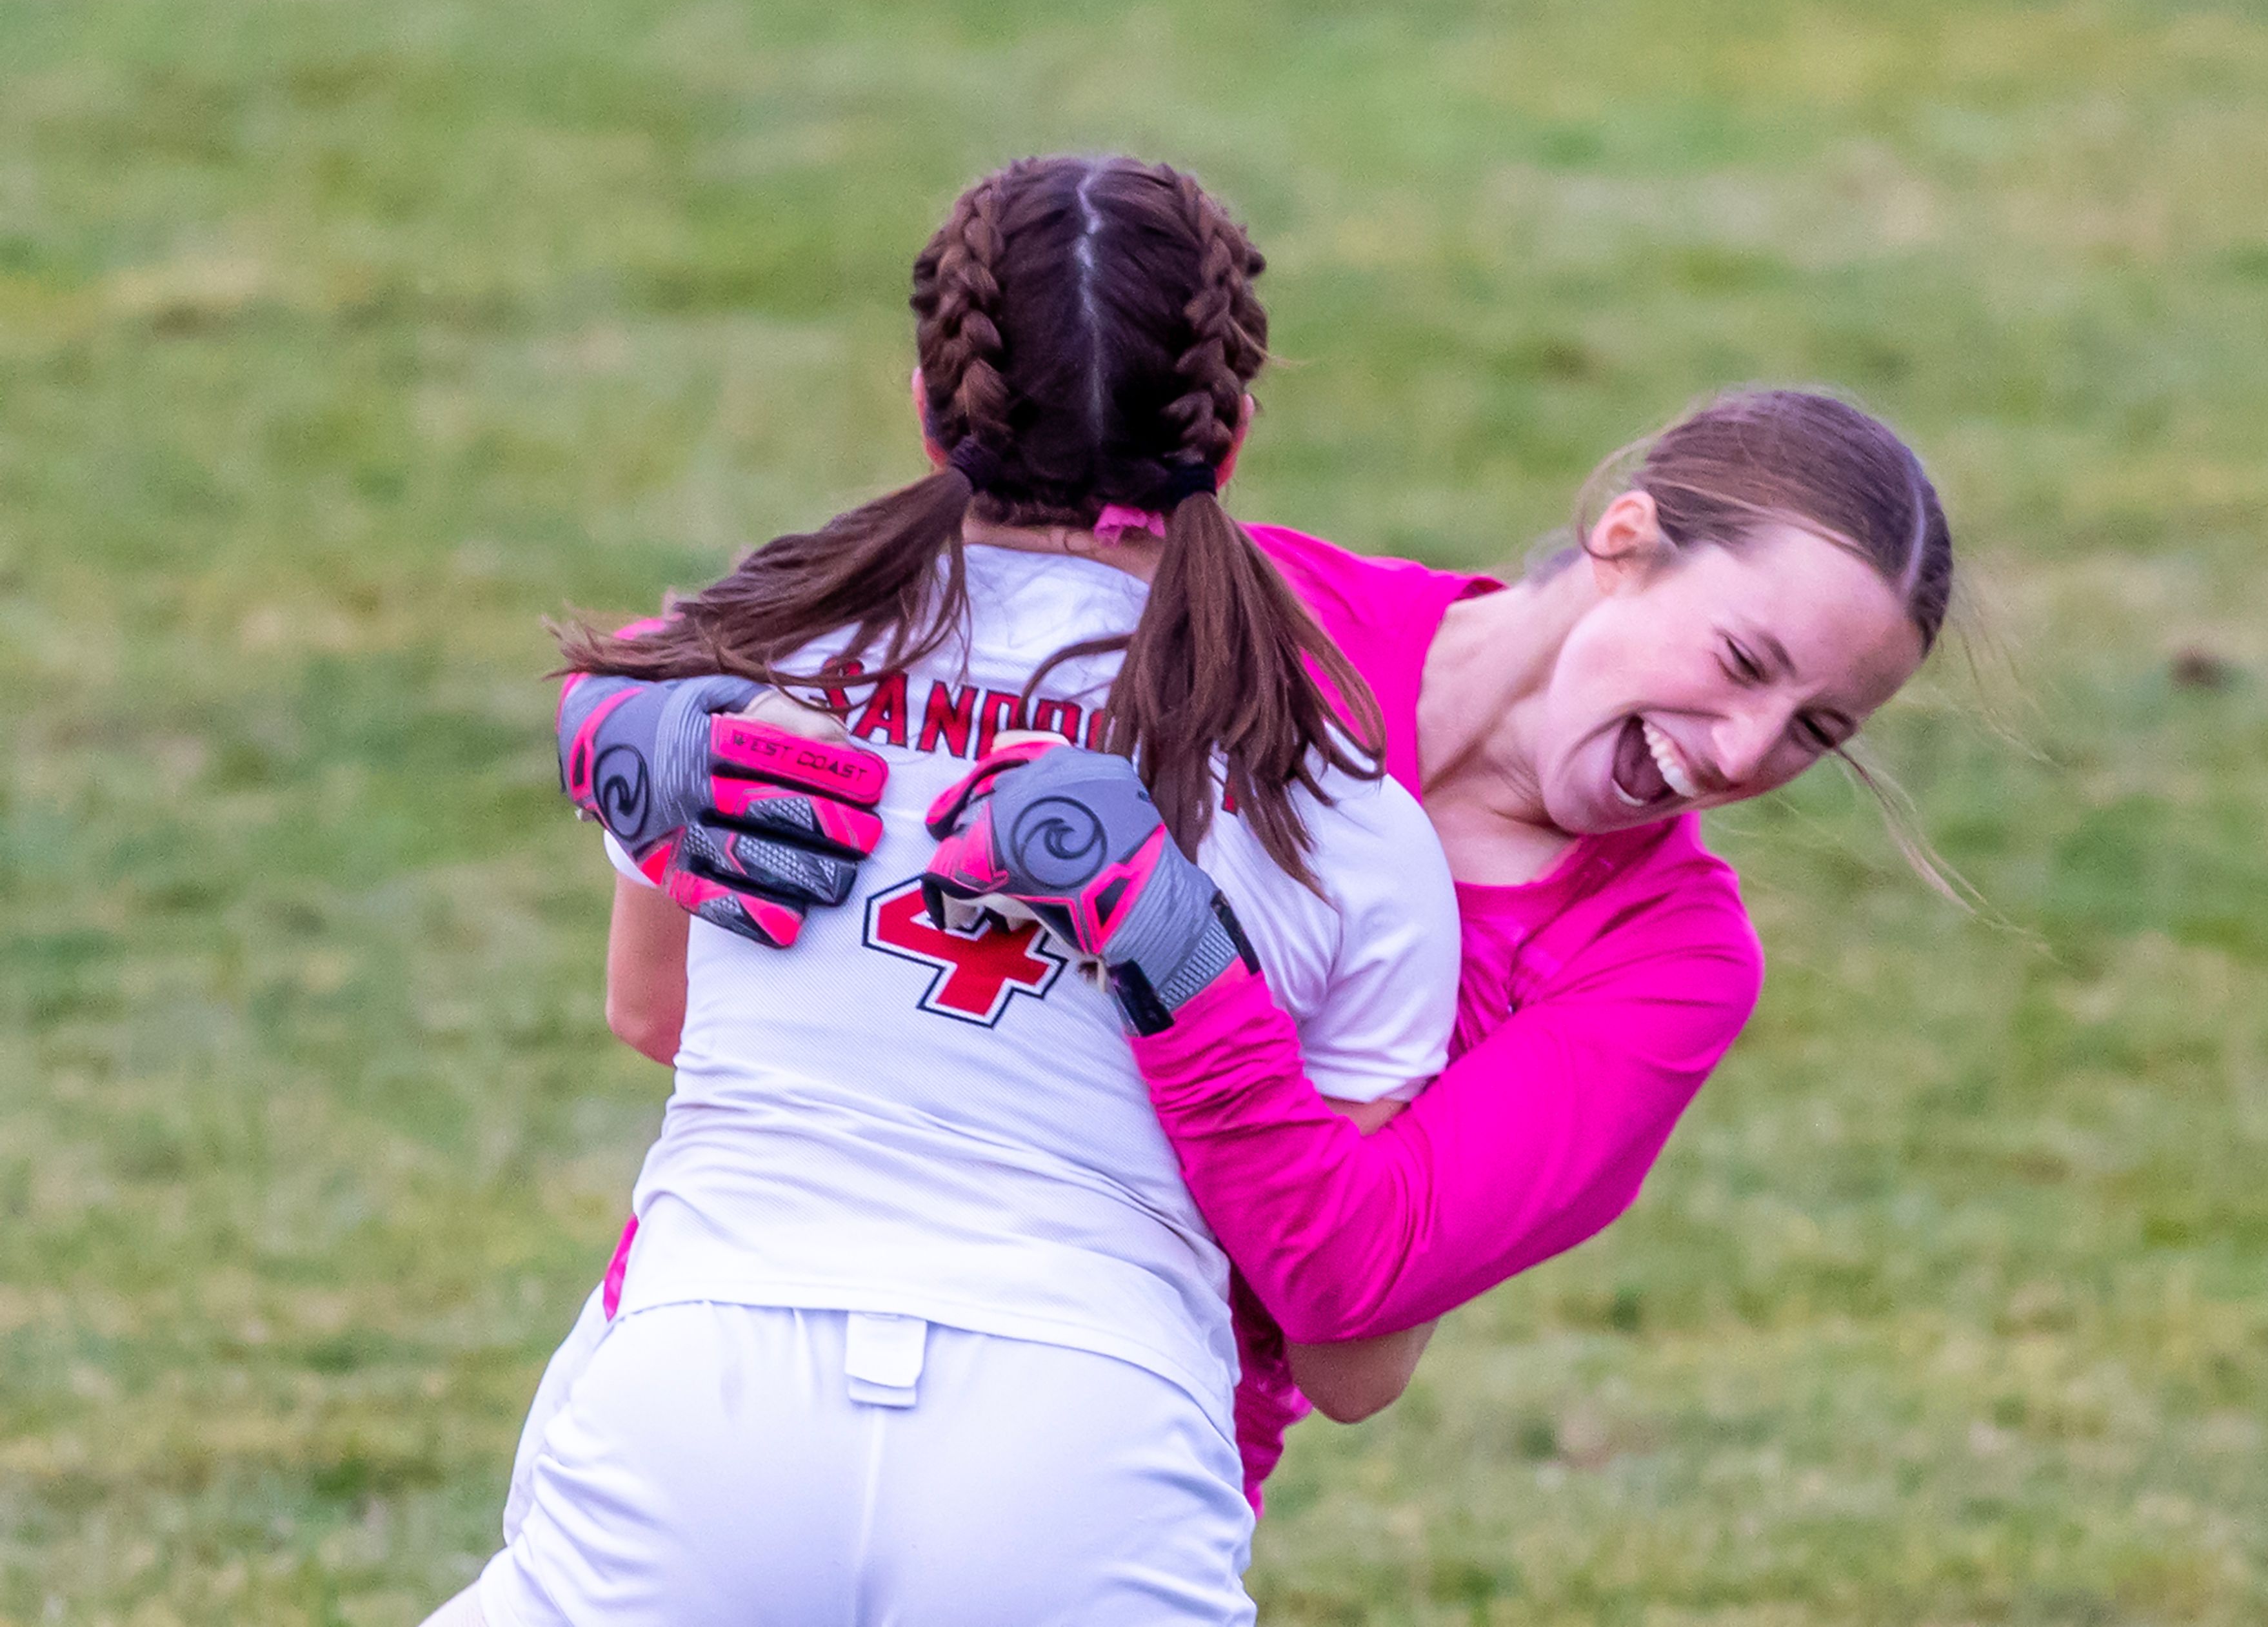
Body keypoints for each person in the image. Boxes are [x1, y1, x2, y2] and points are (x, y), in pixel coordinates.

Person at [432, 154, 1464, 1627]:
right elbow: (1343, 1313)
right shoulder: (1340, 796)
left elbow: (650, 1011)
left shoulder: (749, 668)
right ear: (1229, 438)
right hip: (1086, 1425)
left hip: (712, 1369)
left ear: (932, 408)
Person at [650, 386, 1957, 1506]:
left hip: (1094, 1470)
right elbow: (742, 697)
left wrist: (1173, 953)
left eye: (1817, 729)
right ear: (1626, 538)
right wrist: (635, 728)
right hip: (744, 1339)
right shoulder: (1246, 607)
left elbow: (1351, 1333)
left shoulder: (1661, 961)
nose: (1741, 752)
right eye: (1742, 660)